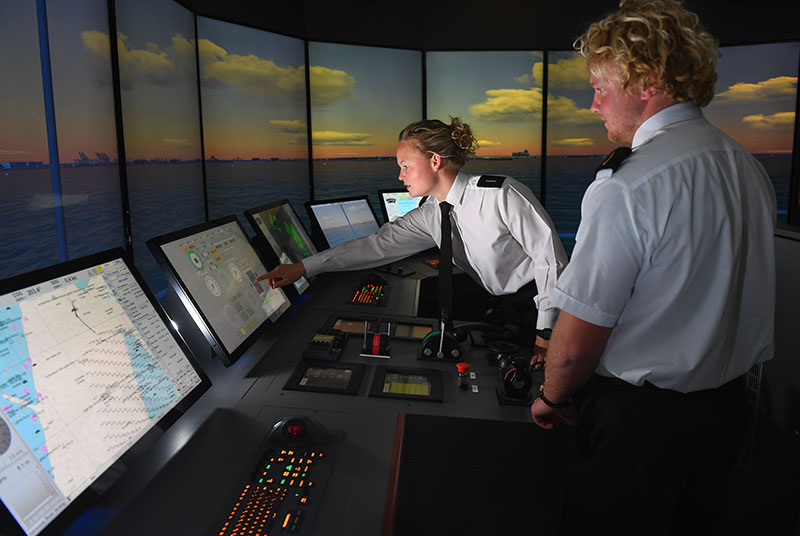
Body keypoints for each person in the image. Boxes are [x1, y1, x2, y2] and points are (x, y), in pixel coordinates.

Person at [530, 1, 776, 534]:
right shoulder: (745, 167)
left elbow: (574, 345)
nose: (593, 104)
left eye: (600, 86)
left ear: (645, 82)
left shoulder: (628, 184)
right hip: (726, 416)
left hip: (639, 426)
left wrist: (552, 396)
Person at [260, 118, 567, 360]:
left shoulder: (501, 194)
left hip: (546, 310)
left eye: (405, 166)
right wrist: (304, 267)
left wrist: (547, 333)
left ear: (434, 161)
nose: (400, 176)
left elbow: (551, 263)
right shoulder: (432, 213)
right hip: (501, 308)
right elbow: (376, 245)